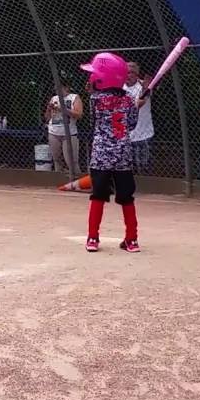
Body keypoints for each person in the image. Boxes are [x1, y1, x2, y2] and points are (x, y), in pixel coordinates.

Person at [81, 52, 141, 253]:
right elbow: (131, 124)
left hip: (101, 155)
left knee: (98, 195)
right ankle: (131, 240)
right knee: (126, 196)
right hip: (123, 154)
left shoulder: (95, 100)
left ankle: (92, 238)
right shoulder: (130, 99)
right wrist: (135, 106)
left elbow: (93, 123)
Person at [45, 84, 84, 175]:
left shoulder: (74, 97)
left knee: (71, 161)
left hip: (69, 133)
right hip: (54, 131)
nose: (57, 90)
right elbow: (47, 117)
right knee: (56, 159)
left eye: (60, 88)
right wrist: (49, 109)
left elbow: (79, 114)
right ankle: (59, 179)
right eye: (55, 89)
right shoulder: (54, 98)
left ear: (66, 88)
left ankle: (76, 179)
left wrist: (63, 109)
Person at [123, 62, 154, 173]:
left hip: (144, 132)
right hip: (126, 134)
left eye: (131, 72)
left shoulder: (143, 85)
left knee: (145, 166)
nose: (128, 75)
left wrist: (147, 88)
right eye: (126, 72)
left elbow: (146, 95)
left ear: (137, 74)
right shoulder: (120, 87)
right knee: (129, 166)